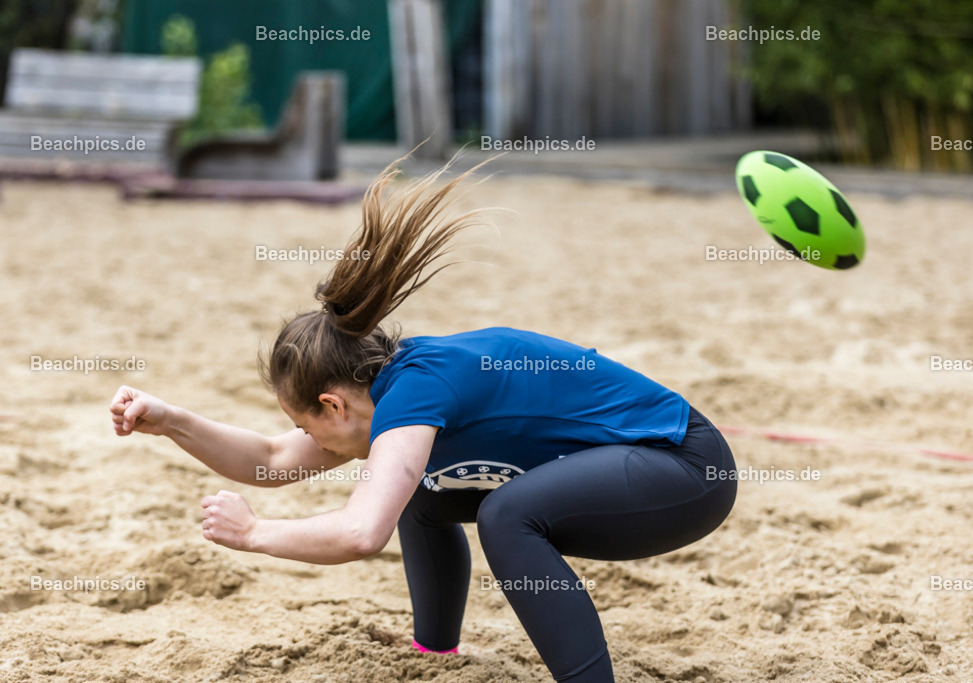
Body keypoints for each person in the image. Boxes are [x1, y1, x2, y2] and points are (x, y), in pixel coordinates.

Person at [109, 158, 738, 682]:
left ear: (334, 403)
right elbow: (271, 462)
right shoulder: (388, 395)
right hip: (652, 469)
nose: (305, 441)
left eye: (306, 424)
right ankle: (434, 653)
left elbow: (360, 534)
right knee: (422, 493)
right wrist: (169, 420)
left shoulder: (413, 396)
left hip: (684, 469)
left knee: (506, 513)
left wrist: (255, 535)